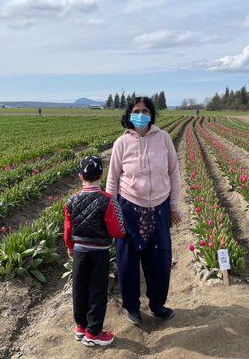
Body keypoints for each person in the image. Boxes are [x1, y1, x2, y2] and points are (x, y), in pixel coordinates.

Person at [106, 96, 182, 326]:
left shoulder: (163, 138)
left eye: (145, 110)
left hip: (159, 207)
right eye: (136, 111)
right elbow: (112, 179)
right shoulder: (122, 143)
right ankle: (132, 307)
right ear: (130, 115)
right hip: (129, 206)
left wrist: (173, 205)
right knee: (128, 261)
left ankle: (157, 305)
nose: (141, 114)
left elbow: (174, 173)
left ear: (152, 114)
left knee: (159, 259)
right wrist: (111, 212)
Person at [64, 155, 126, 347]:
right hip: (99, 252)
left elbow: (68, 228)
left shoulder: (71, 200)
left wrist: (69, 246)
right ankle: (94, 332)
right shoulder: (107, 200)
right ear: (101, 175)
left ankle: (81, 327)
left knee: (79, 288)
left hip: (80, 251)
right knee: (97, 290)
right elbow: (117, 230)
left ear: (80, 176)